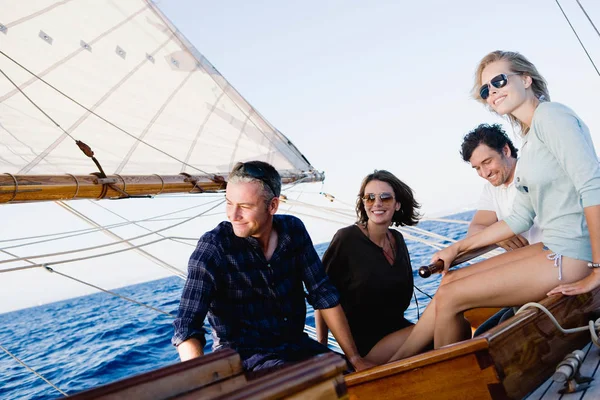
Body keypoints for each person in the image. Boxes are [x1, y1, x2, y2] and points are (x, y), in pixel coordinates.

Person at [388, 50, 600, 362]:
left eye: (499, 80)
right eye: (486, 89)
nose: (493, 91)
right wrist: (456, 250)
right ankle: (425, 373)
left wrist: (598, 268)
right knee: (451, 282)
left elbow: (592, 185)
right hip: (553, 248)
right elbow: (518, 218)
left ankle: (443, 384)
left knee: (451, 295)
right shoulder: (530, 139)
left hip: (571, 255)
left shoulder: (553, 116)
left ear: (526, 79)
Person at [172, 161, 373, 373]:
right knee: (309, 382)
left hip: (297, 346)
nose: (233, 215)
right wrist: (203, 386)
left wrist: (355, 358)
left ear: (272, 206)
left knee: (352, 375)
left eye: (245, 206)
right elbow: (187, 327)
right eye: (229, 203)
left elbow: (323, 293)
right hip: (243, 360)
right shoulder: (213, 248)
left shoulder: (293, 231)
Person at [315, 170, 420, 365]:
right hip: (366, 344)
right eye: (370, 198)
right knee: (432, 327)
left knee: (454, 321)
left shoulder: (397, 239)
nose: (377, 203)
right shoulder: (346, 239)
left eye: (385, 197)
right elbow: (322, 296)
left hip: (400, 331)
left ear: (397, 204)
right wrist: (322, 349)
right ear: (363, 203)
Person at [461, 123, 541, 250]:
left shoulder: (533, 170)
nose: (485, 173)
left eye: (487, 162)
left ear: (505, 150)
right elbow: (475, 229)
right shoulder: (490, 189)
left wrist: (496, 233)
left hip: (556, 253)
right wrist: (499, 236)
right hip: (527, 258)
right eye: (477, 168)